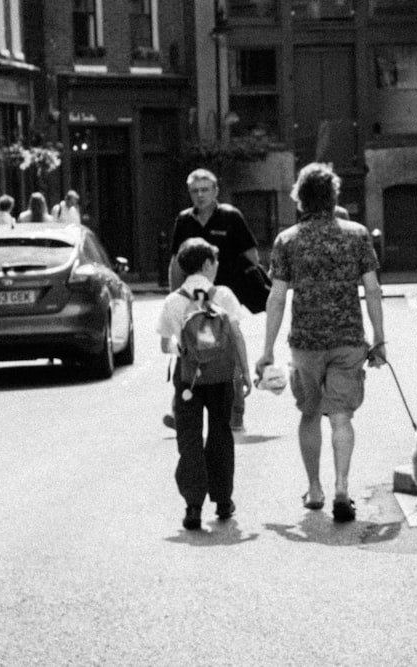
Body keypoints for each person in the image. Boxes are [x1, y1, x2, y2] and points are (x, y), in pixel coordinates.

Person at [255, 162, 386, 524]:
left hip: (306, 344)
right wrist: (379, 338)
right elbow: (372, 290)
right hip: (348, 341)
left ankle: (315, 489)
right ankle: (342, 487)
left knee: (310, 414)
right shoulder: (357, 234)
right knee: (341, 417)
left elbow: (277, 298)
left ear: (300, 198)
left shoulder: (287, 240)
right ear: (334, 197)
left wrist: (267, 350)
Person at [156, 238, 251, 531]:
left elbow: (164, 345)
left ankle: (193, 505)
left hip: (188, 379)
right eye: (216, 262)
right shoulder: (223, 295)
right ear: (208, 264)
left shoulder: (174, 301)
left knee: (189, 438)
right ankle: (223, 501)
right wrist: (245, 372)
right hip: (222, 376)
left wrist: (185, 350)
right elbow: (235, 335)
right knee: (221, 433)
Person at [165, 169, 260, 432]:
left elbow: (252, 257)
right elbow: (175, 262)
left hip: (223, 297)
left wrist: (249, 287)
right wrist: (176, 295)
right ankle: (180, 409)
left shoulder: (231, 217)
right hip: (191, 300)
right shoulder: (184, 220)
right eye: (195, 191)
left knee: (227, 351)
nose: (200, 195)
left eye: (205, 189)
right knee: (190, 352)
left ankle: (235, 411)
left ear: (215, 191)